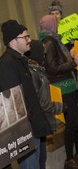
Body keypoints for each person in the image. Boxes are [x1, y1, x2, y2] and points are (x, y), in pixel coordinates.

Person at [0, 20, 52, 169]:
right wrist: (29, 118)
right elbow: (13, 99)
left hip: (33, 126)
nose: (29, 41)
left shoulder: (21, 60)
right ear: (13, 40)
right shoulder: (6, 63)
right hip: (24, 129)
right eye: (25, 37)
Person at [39, 15, 78, 169]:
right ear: (51, 25)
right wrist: (72, 64)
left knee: (74, 122)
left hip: (69, 86)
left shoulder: (54, 40)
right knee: (73, 123)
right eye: (55, 23)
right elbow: (52, 69)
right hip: (63, 88)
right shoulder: (49, 42)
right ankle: (69, 159)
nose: (58, 24)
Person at [25, 40, 64, 169]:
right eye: (42, 51)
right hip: (36, 124)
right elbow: (41, 103)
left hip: (40, 123)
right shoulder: (33, 73)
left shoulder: (37, 70)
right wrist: (60, 107)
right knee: (37, 162)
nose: (44, 55)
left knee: (41, 160)